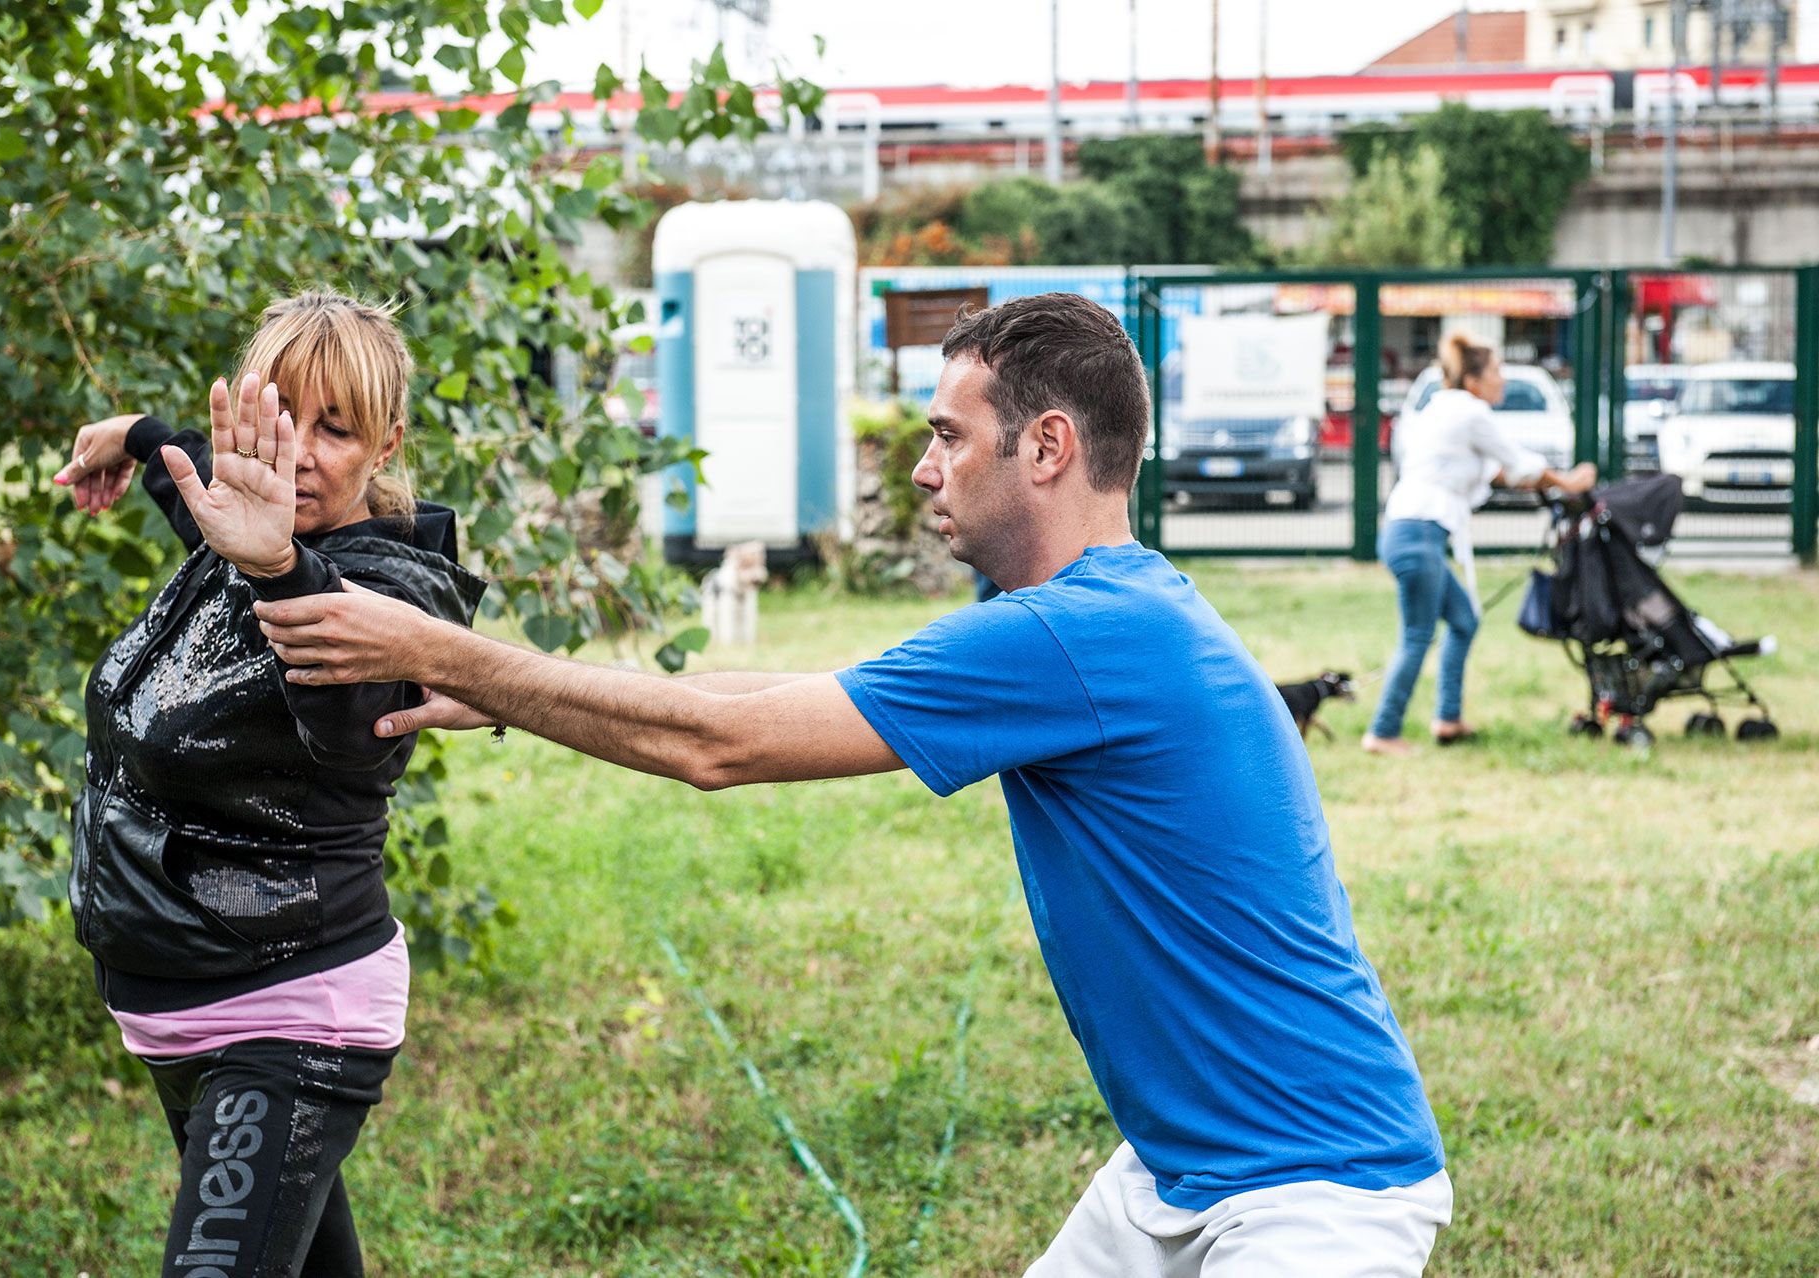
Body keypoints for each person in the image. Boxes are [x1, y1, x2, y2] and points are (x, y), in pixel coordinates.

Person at [254, 293, 1454, 1276]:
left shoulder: (1081, 636)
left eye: (948, 435)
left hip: (1313, 1195)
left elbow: (719, 750)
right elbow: (783, 692)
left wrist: (431, 646)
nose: (926, 468)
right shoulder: (1094, 618)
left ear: (1046, 447)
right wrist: (509, 688)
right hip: (1179, 1172)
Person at [56, 291, 485, 1277]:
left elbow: (353, 709)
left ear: (387, 445)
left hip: (289, 1011)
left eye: (335, 429)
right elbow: (199, 483)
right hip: (177, 1015)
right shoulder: (243, 512)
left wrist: (279, 568)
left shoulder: (392, 586)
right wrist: (132, 435)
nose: (297, 455)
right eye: (280, 420)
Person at [1363, 335, 1597, 757]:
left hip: (1412, 530)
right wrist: (1570, 482)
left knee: (1465, 619)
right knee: (1417, 636)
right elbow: (1518, 462)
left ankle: (1448, 719)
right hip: (1418, 532)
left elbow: (1496, 472)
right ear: (1472, 380)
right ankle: (1382, 731)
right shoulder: (1470, 413)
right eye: (1495, 371)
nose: (1501, 380)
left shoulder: (1443, 410)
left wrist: (1551, 481)